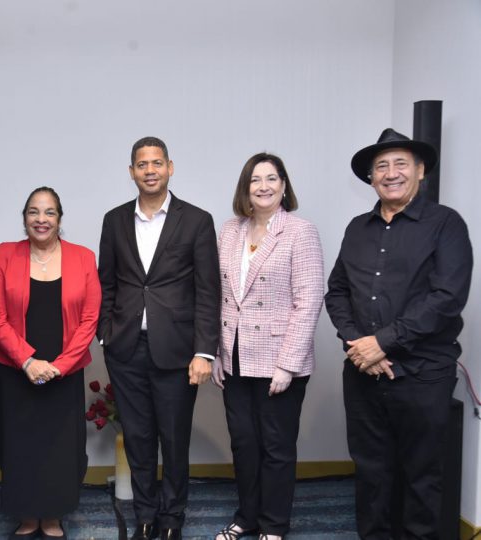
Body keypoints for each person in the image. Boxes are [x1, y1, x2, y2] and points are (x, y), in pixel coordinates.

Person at [325, 128, 473, 539]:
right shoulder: (357, 228)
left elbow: (446, 299)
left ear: (420, 171)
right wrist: (359, 346)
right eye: (381, 166)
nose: (390, 173)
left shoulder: (446, 225)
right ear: (370, 178)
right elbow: (336, 292)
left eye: (400, 164)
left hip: (423, 375)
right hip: (363, 374)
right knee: (371, 474)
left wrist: (382, 343)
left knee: (421, 477)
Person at [98, 136, 220, 540]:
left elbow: (207, 291)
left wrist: (205, 351)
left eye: (156, 163)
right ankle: (145, 515)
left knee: (174, 438)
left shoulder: (197, 220)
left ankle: (173, 518)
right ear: (131, 171)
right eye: (141, 164)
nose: (149, 170)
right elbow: (107, 283)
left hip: (179, 351)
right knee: (137, 437)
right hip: (126, 348)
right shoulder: (114, 220)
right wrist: (106, 335)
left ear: (170, 167)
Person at [212, 154, 324, 540]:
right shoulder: (230, 231)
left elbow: (308, 300)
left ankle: (274, 526)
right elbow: (219, 296)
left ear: (284, 185)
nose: (263, 186)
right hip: (235, 356)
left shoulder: (300, 231)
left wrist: (288, 364)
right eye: (255, 180)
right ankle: (247, 518)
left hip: (279, 359)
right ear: (245, 188)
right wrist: (216, 353)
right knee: (243, 444)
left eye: (271, 178)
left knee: (276, 447)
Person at [0, 186, 101, 540]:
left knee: (59, 447)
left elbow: (90, 319)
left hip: (64, 372)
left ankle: (53, 515)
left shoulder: (83, 257)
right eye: (34, 212)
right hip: (17, 370)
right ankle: (26, 514)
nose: (41, 219)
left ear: (60, 219)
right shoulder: (6, 254)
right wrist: (27, 361)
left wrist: (61, 365)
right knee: (20, 444)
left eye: (49, 212)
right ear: (24, 218)